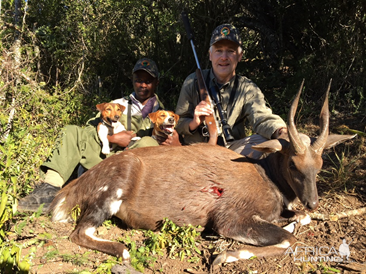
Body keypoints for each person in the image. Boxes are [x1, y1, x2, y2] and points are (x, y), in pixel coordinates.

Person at [18, 57, 180, 213]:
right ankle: (49, 189)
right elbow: (89, 129)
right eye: (138, 79)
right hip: (107, 156)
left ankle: (130, 201)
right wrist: (111, 138)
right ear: (132, 80)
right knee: (72, 131)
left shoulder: (165, 115)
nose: (142, 85)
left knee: (148, 144)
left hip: (131, 170)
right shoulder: (117, 104)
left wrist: (175, 144)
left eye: (148, 81)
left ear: (156, 82)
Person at [175, 24, 287, 158]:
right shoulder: (192, 82)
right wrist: (194, 122)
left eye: (230, 51)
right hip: (196, 153)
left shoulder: (247, 88)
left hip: (231, 152)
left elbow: (262, 117)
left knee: (269, 143)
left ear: (240, 56)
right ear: (210, 55)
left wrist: (281, 131)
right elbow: (178, 124)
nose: (224, 57)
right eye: (218, 51)